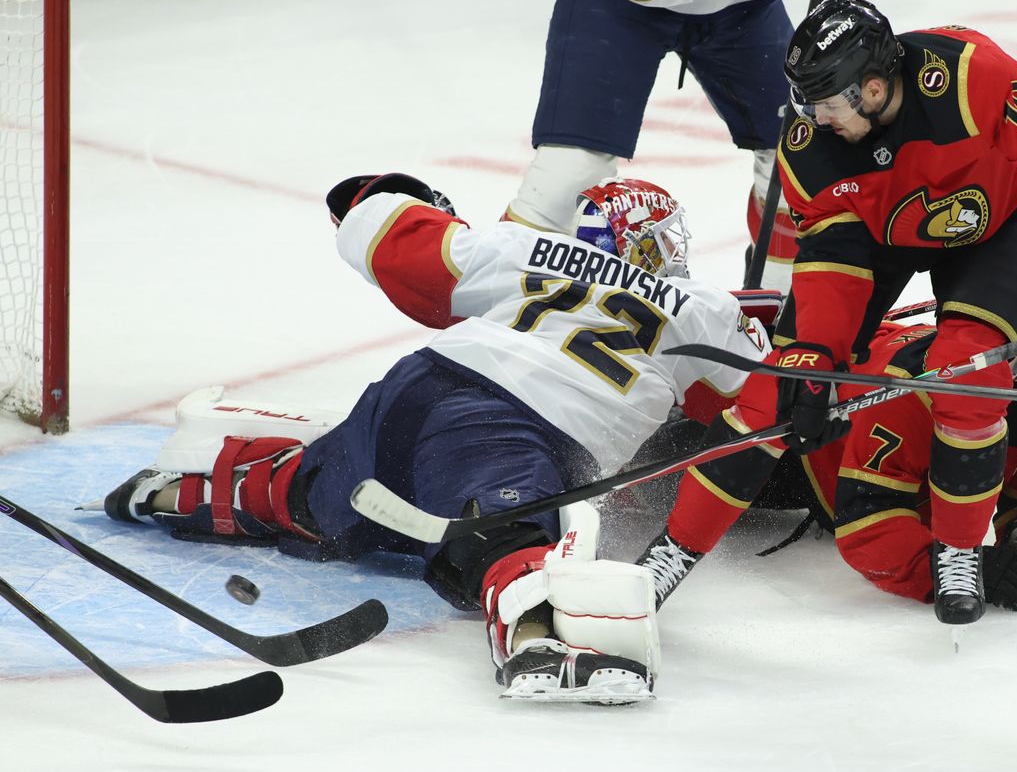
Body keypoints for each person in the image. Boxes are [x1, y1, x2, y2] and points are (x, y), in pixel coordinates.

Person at [95, 172, 773, 703]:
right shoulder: (706, 309)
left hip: (413, 387)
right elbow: (761, 402)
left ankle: (188, 493)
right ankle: (539, 644)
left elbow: (388, 233)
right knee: (502, 534)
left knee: (320, 498)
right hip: (510, 425)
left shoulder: (528, 248)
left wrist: (383, 200)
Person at [757, 0, 1017, 624]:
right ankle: (672, 539)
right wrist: (811, 357)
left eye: (827, 104)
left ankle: (957, 553)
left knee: (967, 373)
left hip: (992, 224)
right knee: (770, 392)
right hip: (872, 242)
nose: (815, 119)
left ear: (874, 88)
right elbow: (864, 528)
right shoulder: (814, 139)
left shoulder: (971, 78)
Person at [640, 321, 1017, 614]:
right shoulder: (912, 393)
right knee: (654, 464)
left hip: (856, 391)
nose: (1005, 370)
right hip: (803, 449)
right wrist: (951, 569)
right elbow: (866, 526)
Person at [508, 0, 860, 291]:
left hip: (746, 2)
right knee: (567, 177)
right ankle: (505, 293)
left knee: (801, 165)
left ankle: (785, 304)